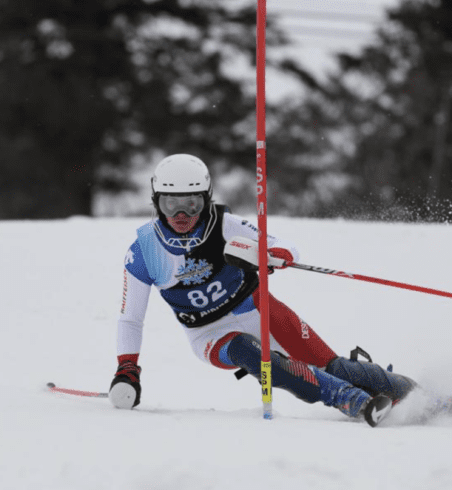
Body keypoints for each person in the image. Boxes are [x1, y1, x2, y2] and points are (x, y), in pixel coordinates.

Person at [109, 154, 416, 427]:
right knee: (252, 354)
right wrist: (127, 368)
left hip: (260, 308)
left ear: (206, 198)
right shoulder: (144, 251)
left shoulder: (224, 224)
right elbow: (131, 319)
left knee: (335, 366)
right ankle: (350, 400)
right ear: (156, 201)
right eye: (170, 204)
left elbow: (282, 245)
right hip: (210, 335)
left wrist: (277, 253)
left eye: (192, 204)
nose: (181, 216)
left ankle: (419, 395)